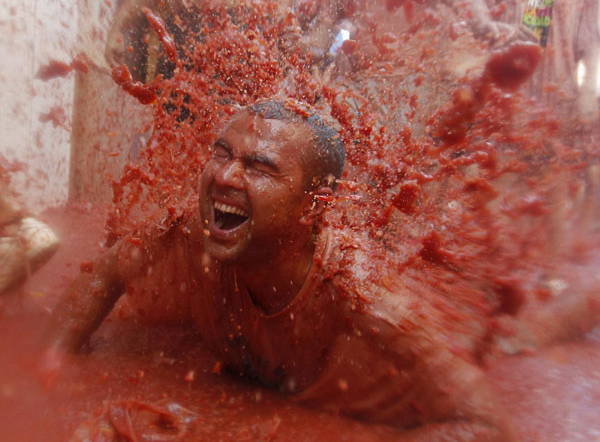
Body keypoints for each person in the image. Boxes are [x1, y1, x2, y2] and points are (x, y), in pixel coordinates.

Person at [43, 99, 518, 441]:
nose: (224, 177)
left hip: (439, 356)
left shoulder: (367, 299)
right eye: (222, 153)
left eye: (260, 167)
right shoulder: (190, 229)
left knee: (521, 337)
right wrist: (47, 375)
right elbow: (102, 273)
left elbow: (487, 423)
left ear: (315, 207)